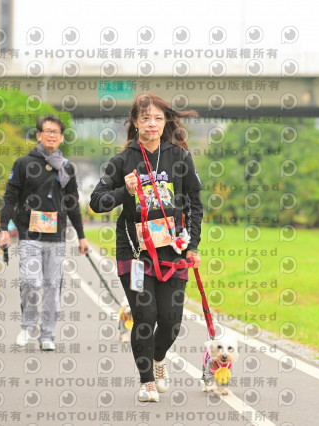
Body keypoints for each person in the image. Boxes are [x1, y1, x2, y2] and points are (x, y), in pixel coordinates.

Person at [90, 93, 203, 402]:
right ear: (135, 123)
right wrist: (124, 191)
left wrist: (193, 244)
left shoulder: (179, 157)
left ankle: (158, 358)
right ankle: (146, 382)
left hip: (173, 251)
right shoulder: (122, 160)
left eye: (157, 118)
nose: (152, 124)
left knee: (171, 320)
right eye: (145, 118)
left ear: (165, 122)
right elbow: (97, 202)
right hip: (135, 255)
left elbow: (195, 205)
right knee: (145, 315)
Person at [0, 114, 89, 352]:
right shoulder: (23, 164)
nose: (51, 135)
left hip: (56, 237)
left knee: (52, 288)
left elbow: (72, 204)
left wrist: (81, 236)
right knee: (31, 281)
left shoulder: (67, 167)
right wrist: (3, 228)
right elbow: (10, 197)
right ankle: (27, 326)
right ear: (39, 135)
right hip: (30, 234)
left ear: (61, 137)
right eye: (47, 131)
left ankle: (47, 334)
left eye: (56, 132)